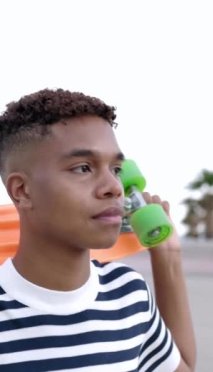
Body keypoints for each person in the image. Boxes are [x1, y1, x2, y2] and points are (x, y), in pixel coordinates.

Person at [0, 88, 196, 371]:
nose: (114, 188)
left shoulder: (129, 294)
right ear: (23, 191)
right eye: (83, 168)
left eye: (116, 169)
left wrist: (167, 252)